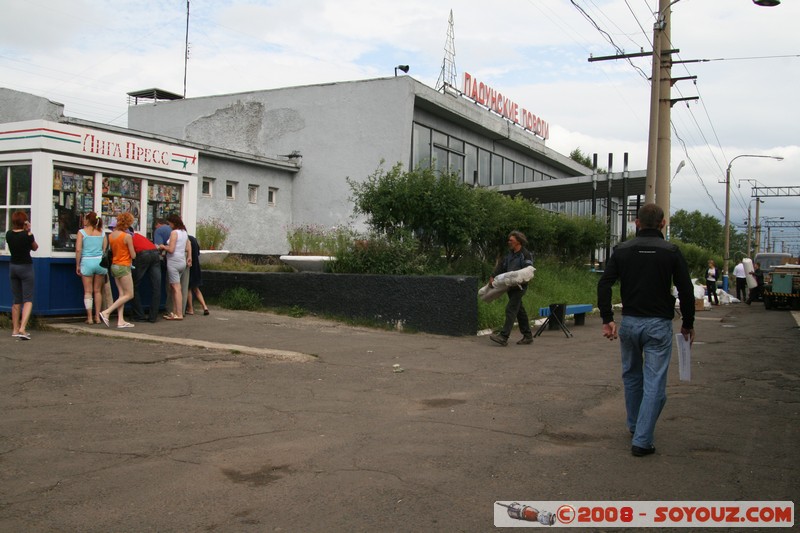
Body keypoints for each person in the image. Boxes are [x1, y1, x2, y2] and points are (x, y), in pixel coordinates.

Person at [597, 203, 695, 457]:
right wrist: (687, 324)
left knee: (631, 375)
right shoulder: (671, 251)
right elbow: (686, 290)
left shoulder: (622, 250)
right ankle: (642, 440)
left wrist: (607, 318)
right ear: (663, 223)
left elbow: (604, 284)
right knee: (655, 383)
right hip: (658, 325)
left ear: (636, 223)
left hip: (629, 323)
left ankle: (635, 424)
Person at [488, 231, 534, 346]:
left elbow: (528, 270)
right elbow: (501, 267)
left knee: (511, 309)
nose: (509, 242)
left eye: (511, 240)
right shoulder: (510, 255)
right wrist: (493, 276)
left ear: (518, 241)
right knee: (519, 311)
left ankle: (503, 337)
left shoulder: (526, 254)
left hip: (520, 287)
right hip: (510, 286)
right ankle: (528, 336)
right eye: (509, 240)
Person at [99, 212, 137, 328]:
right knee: (129, 294)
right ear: (127, 223)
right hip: (124, 266)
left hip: (114, 266)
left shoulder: (111, 236)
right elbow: (133, 255)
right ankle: (107, 312)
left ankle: (120, 320)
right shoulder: (127, 236)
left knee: (121, 294)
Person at [6, 211, 38, 340]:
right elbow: (35, 247)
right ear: (24, 222)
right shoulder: (27, 235)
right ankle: (22, 328)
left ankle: (14, 329)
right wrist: (29, 231)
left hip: (13, 266)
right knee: (28, 299)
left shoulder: (8, 235)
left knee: (16, 299)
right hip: (26, 267)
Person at [74, 212, 108, 324]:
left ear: (88, 220)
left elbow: (78, 249)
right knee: (98, 291)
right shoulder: (102, 233)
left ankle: (89, 317)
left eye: (85, 219)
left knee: (88, 291)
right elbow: (104, 249)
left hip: (87, 262)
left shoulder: (81, 232)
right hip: (99, 263)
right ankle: (97, 317)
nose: (83, 220)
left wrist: (78, 264)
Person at [157, 214, 191, 321]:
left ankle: (179, 313)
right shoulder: (184, 233)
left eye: (169, 223)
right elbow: (187, 246)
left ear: (173, 223)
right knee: (175, 287)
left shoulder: (174, 233)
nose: (169, 225)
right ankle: (175, 312)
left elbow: (171, 249)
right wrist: (189, 256)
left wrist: (162, 246)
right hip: (182, 261)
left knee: (176, 289)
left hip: (173, 262)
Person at [130, 230, 162, 322]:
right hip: (155, 253)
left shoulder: (126, 237)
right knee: (156, 287)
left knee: (133, 285)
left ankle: (139, 314)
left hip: (142, 254)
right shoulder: (139, 236)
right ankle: (153, 317)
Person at [185, 234, 210, 316]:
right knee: (196, 288)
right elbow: (198, 252)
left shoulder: (185, 239)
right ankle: (205, 307)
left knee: (188, 288)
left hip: (189, 265)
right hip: (196, 266)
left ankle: (190, 308)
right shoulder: (193, 239)